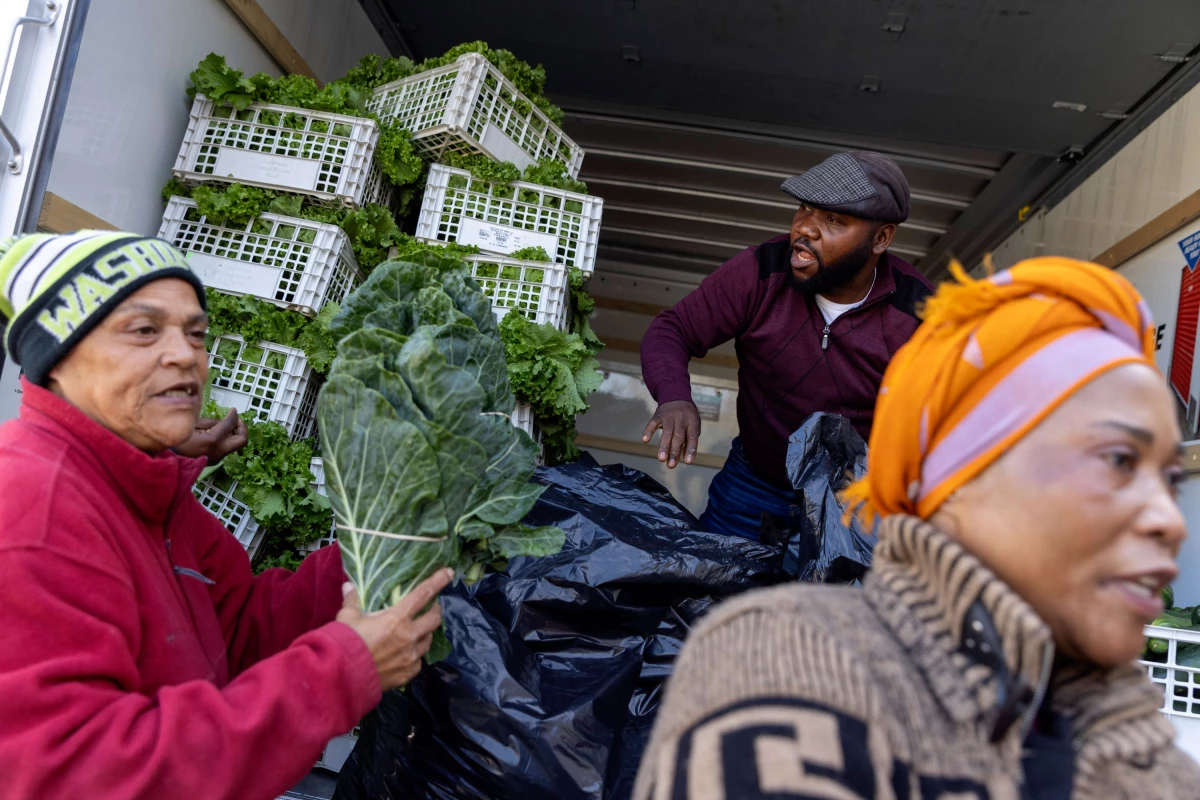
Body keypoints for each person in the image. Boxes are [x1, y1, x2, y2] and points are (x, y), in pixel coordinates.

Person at [634, 257, 1200, 799]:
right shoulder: (788, 667)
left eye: (1170, 479)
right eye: (1118, 461)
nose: (1168, 521)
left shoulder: (1161, 773)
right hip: (758, 473)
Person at [0, 231, 453, 799]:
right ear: (59, 357)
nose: (185, 354)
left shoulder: (153, 493)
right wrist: (343, 668)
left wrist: (381, 543)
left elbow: (238, 630)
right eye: (144, 330)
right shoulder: (29, 508)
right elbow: (80, 778)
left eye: (196, 333)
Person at [640, 151, 933, 540]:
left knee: (834, 603)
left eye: (833, 220)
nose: (805, 229)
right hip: (753, 481)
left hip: (853, 503)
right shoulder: (761, 271)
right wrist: (674, 396)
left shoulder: (918, 317)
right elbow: (672, 329)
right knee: (709, 593)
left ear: (881, 238)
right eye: (805, 209)